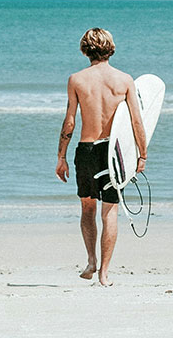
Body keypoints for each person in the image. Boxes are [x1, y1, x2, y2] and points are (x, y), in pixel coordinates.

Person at [56, 28, 147, 287]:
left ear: (85, 49)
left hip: (86, 150)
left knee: (87, 207)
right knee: (110, 211)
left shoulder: (76, 80)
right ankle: (104, 274)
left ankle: (91, 261)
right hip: (112, 153)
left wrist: (61, 156)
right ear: (111, 47)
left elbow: (70, 122)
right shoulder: (125, 80)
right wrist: (142, 154)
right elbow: (136, 121)